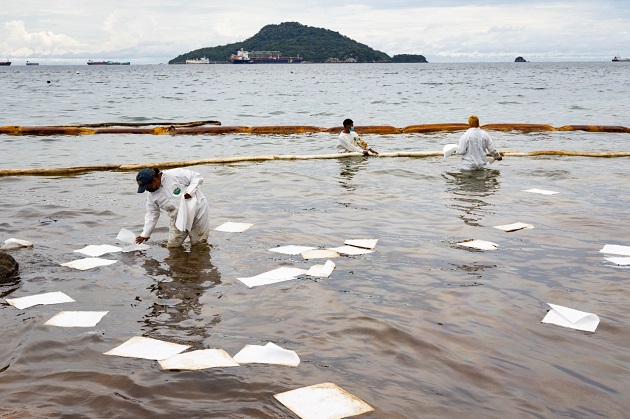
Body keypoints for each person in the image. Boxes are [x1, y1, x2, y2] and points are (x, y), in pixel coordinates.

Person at [135, 167, 211, 248]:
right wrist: (145, 234)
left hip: (197, 211)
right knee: (172, 247)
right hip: (177, 219)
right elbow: (152, 214)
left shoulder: (173, 175)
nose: (147, 190)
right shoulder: (151, 197)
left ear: (154, 180)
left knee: (199, 244)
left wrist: (190, 191)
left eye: (147, 187)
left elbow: (196, 177)